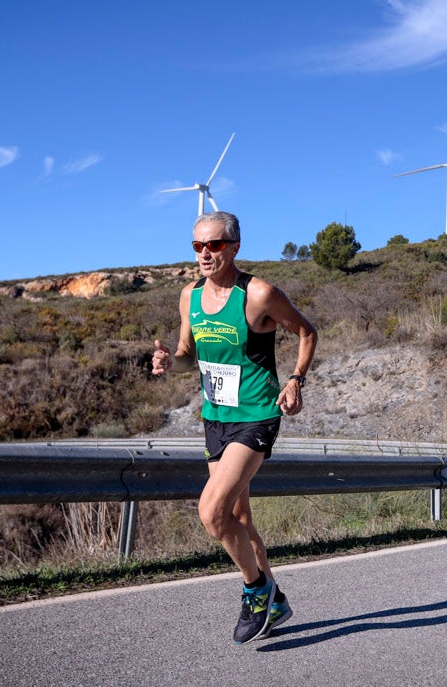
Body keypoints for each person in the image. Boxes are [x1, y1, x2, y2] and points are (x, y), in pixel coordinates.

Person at [151, 211, 317, 644]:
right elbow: (188, 354)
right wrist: (172, 362)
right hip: (216, 418)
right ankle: (276, 598)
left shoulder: (258, 294)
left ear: (234, 247)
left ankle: (256, 591)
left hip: (257, 414)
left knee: (211, 512)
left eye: (215, 245)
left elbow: (305, 331)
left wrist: (296, 380)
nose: (205, 254)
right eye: (198, 246)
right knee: (239, 515)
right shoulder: (188, 296)